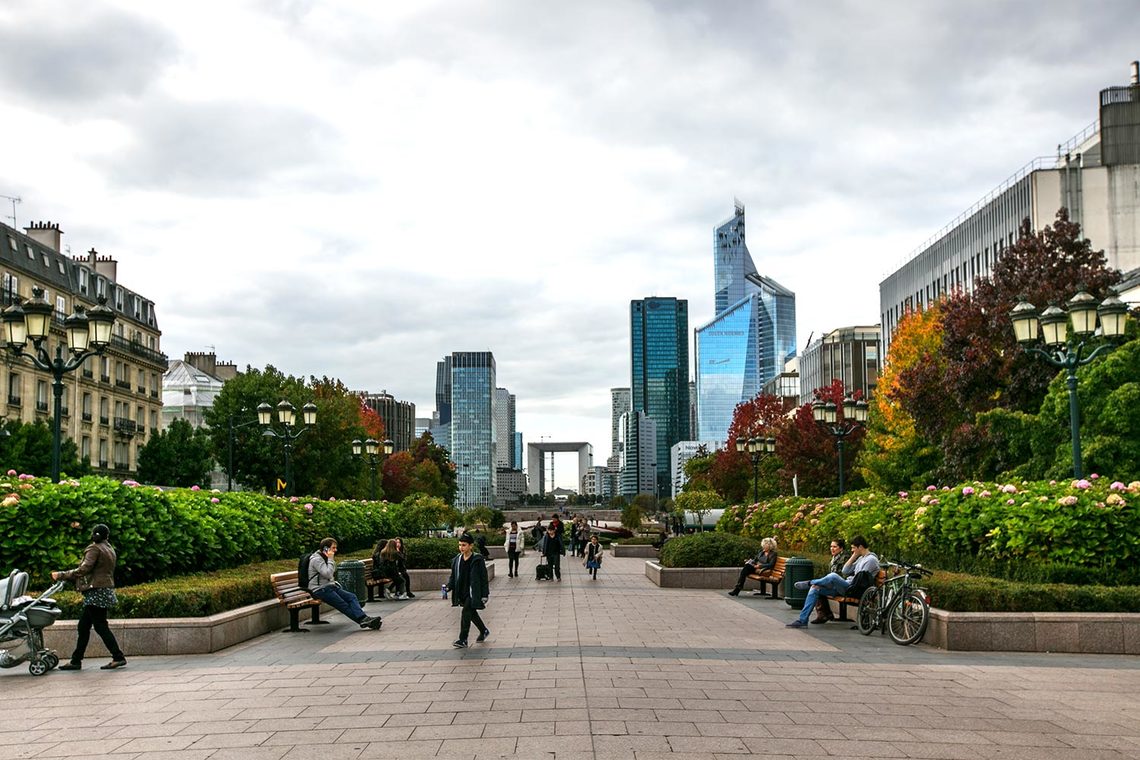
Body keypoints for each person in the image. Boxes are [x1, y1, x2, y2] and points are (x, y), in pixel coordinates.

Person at [51, 524, 127, 671]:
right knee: (84, 626)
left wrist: (61, 575)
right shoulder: (109, 548)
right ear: (107, 536)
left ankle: (118, 657)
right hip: (105, 590)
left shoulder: (94, 548)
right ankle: (76, 660)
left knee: (100, 625)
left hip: (95, 591)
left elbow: (84, 569)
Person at [787, 535, 879, 628]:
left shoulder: (871, 560)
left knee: (833, 576)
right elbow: (845, 571)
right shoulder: (861, 558)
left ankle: (810, 582)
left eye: (853, 548)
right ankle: (802, 620)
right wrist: (854, 556)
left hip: (854, 589)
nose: (852, 550)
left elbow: (860, 579)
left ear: (860, 547)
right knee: (815, 588)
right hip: (848, 586)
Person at [309, 538, 382, 630]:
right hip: (320, 589)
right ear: (326, 549)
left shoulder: (324, 557)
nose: (335, 550)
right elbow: (328, 574)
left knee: (351, 597)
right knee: (343, 605)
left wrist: (330, 560)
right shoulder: (316, 560)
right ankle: (364, 620)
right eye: (333, 548)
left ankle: (364, 619)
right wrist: (331, 559)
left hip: (330, 587)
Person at [447, 533, 490, 648]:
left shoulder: (477, 559)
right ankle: (484, 630)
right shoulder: (457, 560)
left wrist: (485, 594)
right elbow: (453, 576)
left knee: (466, 612)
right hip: (461, 592)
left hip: (473, 593)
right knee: (471, 614)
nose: (461, 547)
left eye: (464, 545)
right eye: (460, 545)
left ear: (471, 546)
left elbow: (483, 578)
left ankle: (463, 639)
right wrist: (448, 587)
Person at [811, 539, 849, 624]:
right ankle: (825, 614)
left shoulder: (845, 558)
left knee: (818, 587)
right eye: (831, 546)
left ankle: (824, 614)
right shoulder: (834, 557)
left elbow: (842, 575)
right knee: (817, 587)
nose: (832, 548)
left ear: (841, 548)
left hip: (841, 586)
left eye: (835, 547)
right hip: (833, 584)